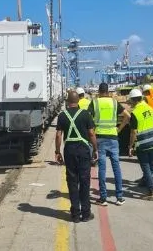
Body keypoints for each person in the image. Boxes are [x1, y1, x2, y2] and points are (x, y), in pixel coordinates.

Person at [55, 91, 98, 222]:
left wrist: (58, 152)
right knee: (85, 181)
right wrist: (95, 149)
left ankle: (75, 214)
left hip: (69, 150)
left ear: (67, 102)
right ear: (78, 101)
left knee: (72, 181)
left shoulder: (62, 116)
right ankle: (86, 213)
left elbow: (58, 135)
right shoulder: (85, 114)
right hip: (84, 150)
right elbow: (91, 134)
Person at [91, 82, 131, 205]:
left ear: (99, 91)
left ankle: (103, 198)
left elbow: (87, 118)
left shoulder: (95, 102)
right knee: (116, 168)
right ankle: (119, 197)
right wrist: (119, 129)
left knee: (102, 168)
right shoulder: (114, 102)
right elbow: (128, 116)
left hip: (100, 137)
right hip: (113, 137)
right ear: (108, 92)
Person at [127, 88, 153, 201]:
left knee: (146, 168)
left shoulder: (135, 113)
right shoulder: (150, 109)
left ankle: (151, 192)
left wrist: (130, 146)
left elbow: (133, 132)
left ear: (133, 100)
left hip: (142, 144)